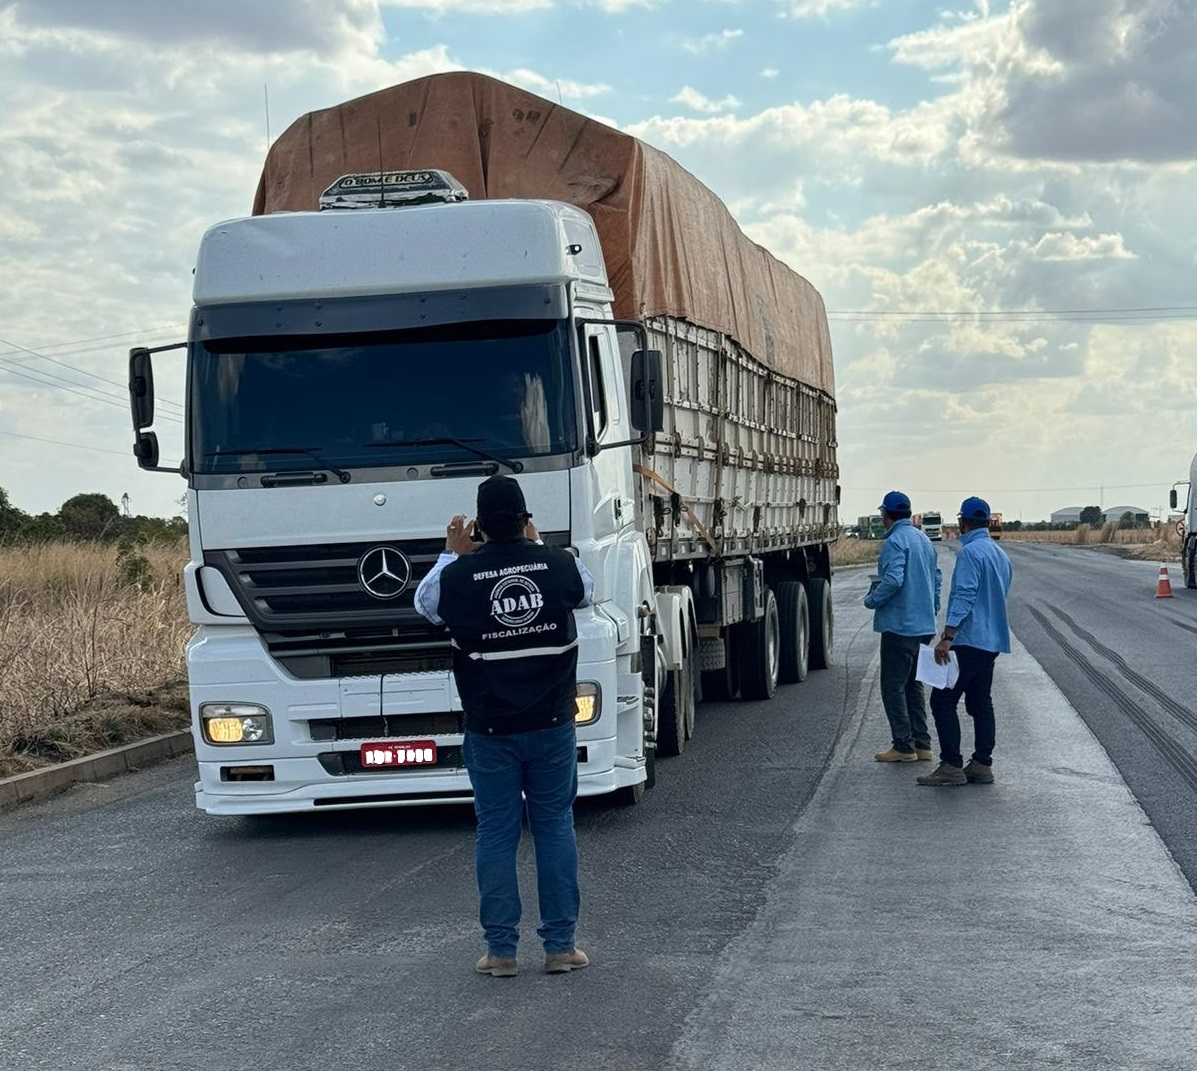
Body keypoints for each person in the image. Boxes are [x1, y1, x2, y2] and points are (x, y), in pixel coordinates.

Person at [414, 474, 595, 976]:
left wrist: (452, 553)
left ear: (478, 526)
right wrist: (539, 545)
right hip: (552, 724)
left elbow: (424, 606)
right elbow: (587, 589)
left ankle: (501, 953)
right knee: (555, 827)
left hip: (489, 729)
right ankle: (561, 947)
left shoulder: (458, 577)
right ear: (524, 520)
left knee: (496, 832)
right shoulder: (557, 564)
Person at [917, 495, 1013, 787]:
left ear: (962, 522)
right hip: (992, 641)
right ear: (987, 522)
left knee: (943, 701)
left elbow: (965, 595)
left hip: (969, 639)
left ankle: (951, 765)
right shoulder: (999, 554)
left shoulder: (970, 554)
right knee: (981, 701)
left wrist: (948, 636)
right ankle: (982, 764)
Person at [864, 490, 942, 763]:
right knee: (913, 685)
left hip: (900, 626)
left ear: (886, 515)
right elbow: (937, 579)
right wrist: (931, 610)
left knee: (892, 685)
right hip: (923, 625)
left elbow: (894, 579)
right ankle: (922, 744)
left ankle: (903, 746)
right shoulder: (923, 540)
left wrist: (872, 600)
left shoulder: (895, 542)